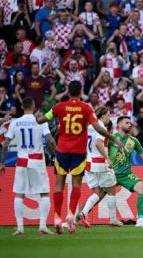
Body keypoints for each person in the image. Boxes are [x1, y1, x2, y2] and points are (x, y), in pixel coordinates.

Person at [36, 80, 124, 234]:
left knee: (59, 185)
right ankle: (72, 214)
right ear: (81, 91)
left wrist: (40, 118)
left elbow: (42, 119)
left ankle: (57, 217)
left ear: (68, 91)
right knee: (79, 186)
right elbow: (98, 130)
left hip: (63, 150)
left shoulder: (59, 107)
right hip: (78, 153)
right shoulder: (86, 108)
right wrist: (113, 138)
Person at [0, 97, 57, 235]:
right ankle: (42, 226)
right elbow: (50, 140)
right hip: (37, 161)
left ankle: (20, 228)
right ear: (33, 106)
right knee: (44, 193)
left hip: (21, 161)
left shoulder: (15, 123)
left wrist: (2, 162)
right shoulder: (40, 121)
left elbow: (6, 143)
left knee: (19, 194)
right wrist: (57, 156)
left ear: (23, 107)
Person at [77, 106, 121, 227]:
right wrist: (107, 158)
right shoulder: (100, 127)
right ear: (102, 116)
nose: (109, 117)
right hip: (100, 163)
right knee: (111, 189)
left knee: (97, 193)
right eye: (108, 114)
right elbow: (98, 143)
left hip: (89, 163)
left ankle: (84, 212)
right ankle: (112, 219)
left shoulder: (89, 126)